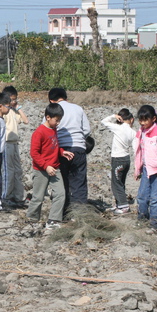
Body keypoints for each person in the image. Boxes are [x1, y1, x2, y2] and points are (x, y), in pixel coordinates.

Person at [27, 103, 74, 229]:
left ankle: (53, 220)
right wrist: (46, 166)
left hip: (55, 168)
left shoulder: (53, 130)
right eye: (56, 120)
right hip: (41, 170)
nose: (58, 123)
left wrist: (62, 152)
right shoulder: (39, 132)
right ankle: (32, 220)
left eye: (59, 120)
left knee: (60, 193)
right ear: (48, 117)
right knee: (38, 196)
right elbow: (34, 153)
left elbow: (54, 146)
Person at [48, 88, 91, 218]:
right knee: (79, 182)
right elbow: (87, 130)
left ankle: (64, 213)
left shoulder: (52, 110)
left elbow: (46, 130)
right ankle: (79, 216)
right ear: (66, 98)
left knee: (62, 182)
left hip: (60, 150)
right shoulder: (78, 108)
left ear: (51, 100)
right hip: (78, 148)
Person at [133, 105, 157, 230]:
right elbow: (140, 152)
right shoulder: (142, 132)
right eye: (140, 120)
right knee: (142, 197)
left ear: (153, 118)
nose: (142, 122)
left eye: (145, 120)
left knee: (156, 199)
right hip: (146, 169)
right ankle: (142, 219)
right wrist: (137, 169)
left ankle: (155, 224)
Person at [101, 108, 136, 215]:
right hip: (126, 159)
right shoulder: (133, 132)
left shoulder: (118, 128)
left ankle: (124, 206)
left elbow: (104, 122)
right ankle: (118, 204)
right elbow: (135, 149)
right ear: (132, 119)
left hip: (118, 159)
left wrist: (113, 116)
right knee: (121, 182)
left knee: (116, 183)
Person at [0, 85, 29, 208]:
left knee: (18, 170)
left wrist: (18, 108)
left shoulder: (13, 111)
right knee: (8, 171)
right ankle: (5, 197)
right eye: (11, 99)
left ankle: (18, 196)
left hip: (14, 143)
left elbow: (26, 121)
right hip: (6, 144)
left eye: (15, 99)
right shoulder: (4, 113)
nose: (14, 101)